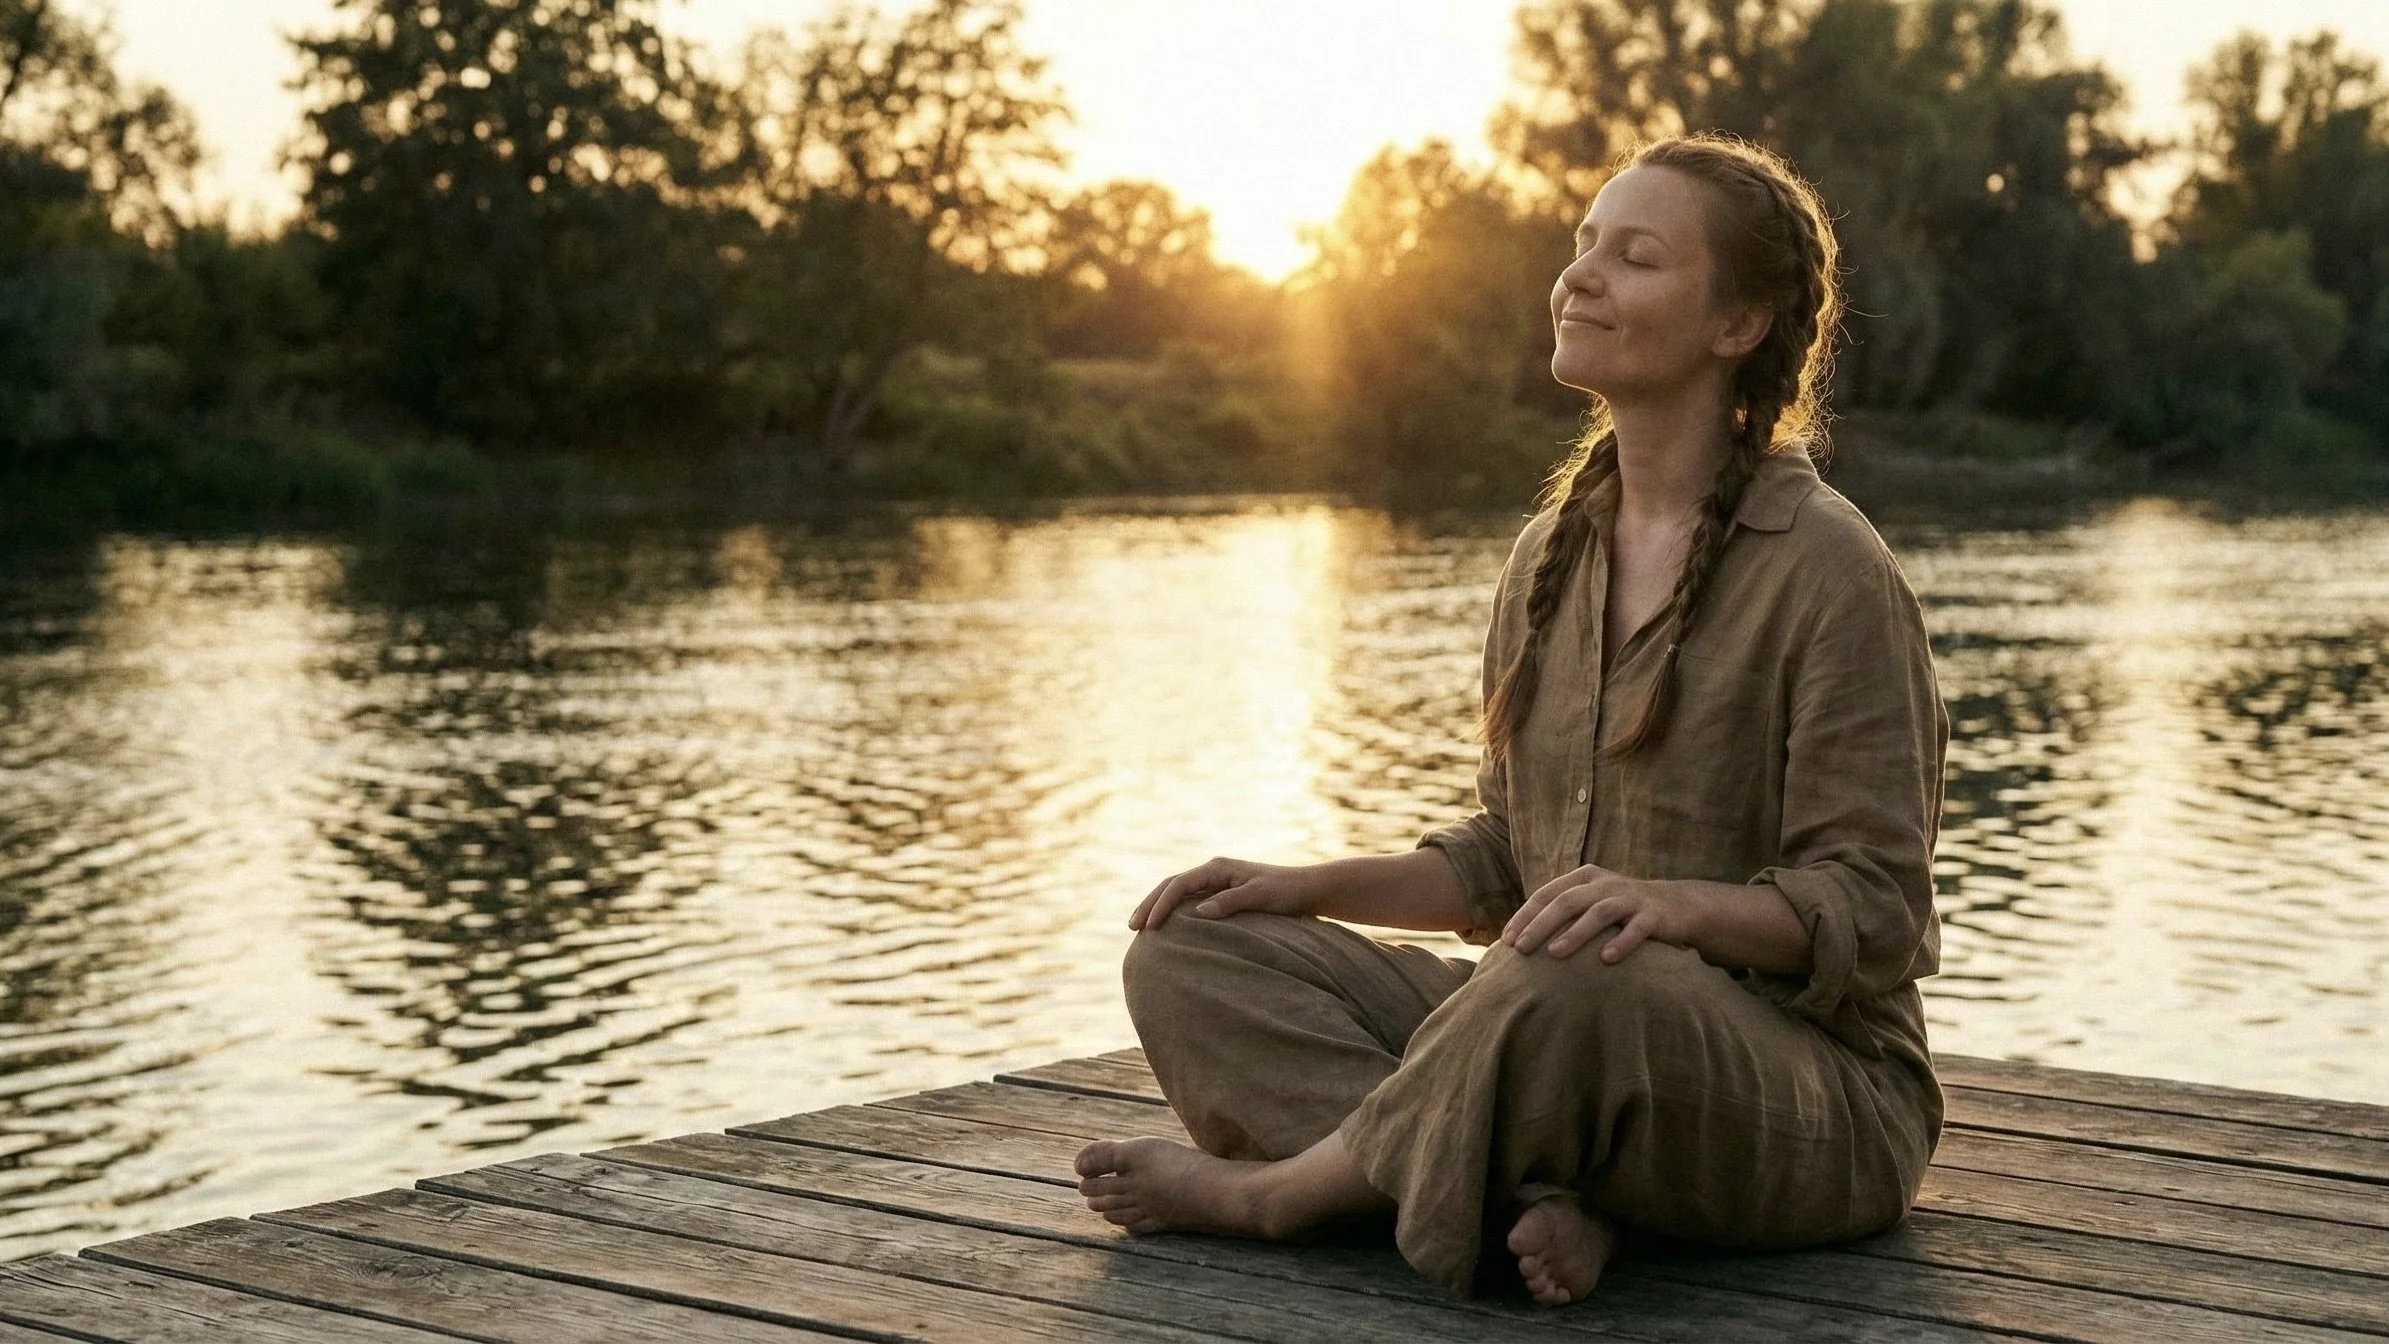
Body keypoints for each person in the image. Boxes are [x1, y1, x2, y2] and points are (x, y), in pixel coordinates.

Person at [1073, 132, 1947, 1306]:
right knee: (1188, 954)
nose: (1579, 276)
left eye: (1633, 258)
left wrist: (1667, 910)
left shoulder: (1830, 570)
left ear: (1735, 326)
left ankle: (1277, 1195)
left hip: (1811, 1095)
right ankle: (1545, 1206)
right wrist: (1302, 884)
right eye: (1582, 246)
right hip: (1556, 1015)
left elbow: (1876, 913)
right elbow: (1506, 860)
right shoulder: (1552, 555)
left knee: (1576, 975)